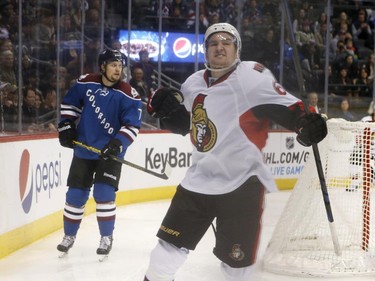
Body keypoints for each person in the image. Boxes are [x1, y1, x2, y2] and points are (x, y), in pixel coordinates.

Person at [143, 22, 327, 281]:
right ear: (205, 51)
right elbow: (189, 125)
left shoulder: (252, 76)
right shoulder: (192, 84)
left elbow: (288, 107)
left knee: (237, 268)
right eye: (213, 43)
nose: (220, 47)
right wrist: (164, 113)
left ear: (237, 50)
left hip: (242, 186)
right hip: (198, 181)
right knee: (163, 254)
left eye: (226, 42)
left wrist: (305, 121)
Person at [56, 49, 142, 257]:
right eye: (113, 65)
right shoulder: (86, 83)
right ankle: (69, 236)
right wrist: (66, 125)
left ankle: (106, 237)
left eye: (120, 66)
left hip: (110, 154)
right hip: (84, 149)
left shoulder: (128, 94)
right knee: (75, 195)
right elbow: (69, 105)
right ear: (102, 66)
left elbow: (132, 126)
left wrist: (117, 143)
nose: (118, 69)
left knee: (104, 194)